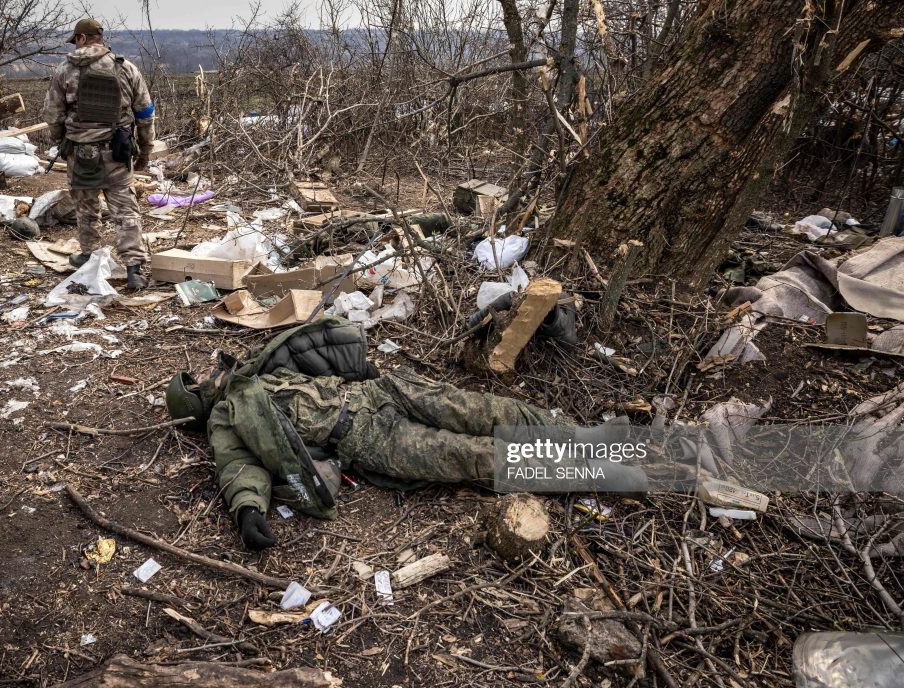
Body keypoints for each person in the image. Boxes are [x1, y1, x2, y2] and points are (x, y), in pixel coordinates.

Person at [167, 318, 646, 551]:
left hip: (380, 393)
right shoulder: (228, 416)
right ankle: (600, 470)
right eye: (195, 384)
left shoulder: (251, 373)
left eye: (197, 373)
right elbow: (237, 466)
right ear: (198, 404)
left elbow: (310, 348)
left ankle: (586, 437)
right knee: (472, 456)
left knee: (485, 409)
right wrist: (248, 509)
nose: (204, 375)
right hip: (367, 437)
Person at [41, 18, 155, 290]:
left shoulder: (64, 70)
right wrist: (145, 150)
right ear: (100, 39)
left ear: (81, 38)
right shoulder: (125, 67)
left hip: (80, 153)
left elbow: (53, 115)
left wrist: (61, 141)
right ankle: (134, 269)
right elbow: (145, 113)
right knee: (126, 210)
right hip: (118, 151)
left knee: (86, 208)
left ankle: (88, 256)